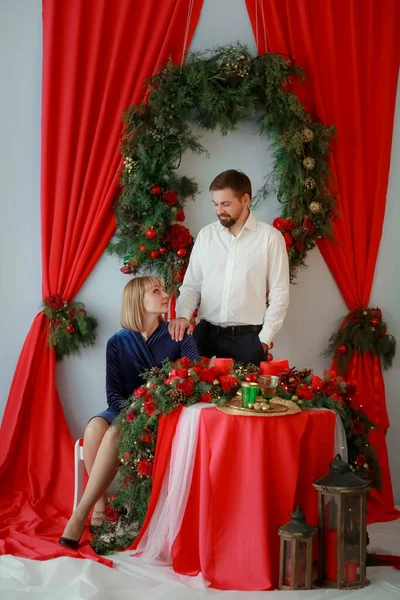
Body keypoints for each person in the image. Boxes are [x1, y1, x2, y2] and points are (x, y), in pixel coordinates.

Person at [59, 275, 200, 549]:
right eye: (156, 291)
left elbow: (194, 377)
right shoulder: (117, 342)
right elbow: (113, 393)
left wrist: (150, 409)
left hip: (161, 414)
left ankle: (78, 515)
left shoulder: (178, 333)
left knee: (113, 433)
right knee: (94, 428)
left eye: (163, 289)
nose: (165, 294)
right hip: (124, 410)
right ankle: (99, 504)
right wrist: (131, 414)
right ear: (138, 300)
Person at [168, 169, 290, 365]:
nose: (219, 211)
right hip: (204, 336)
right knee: (194, 394)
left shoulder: (270, 238)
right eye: (215, 204)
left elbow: (279, 295)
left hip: (248, 340)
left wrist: (264, 340)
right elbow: (191, 286)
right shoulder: (206, 236)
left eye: (226, 204)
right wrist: (183, 315)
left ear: (245, 200)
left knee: (246, 397)